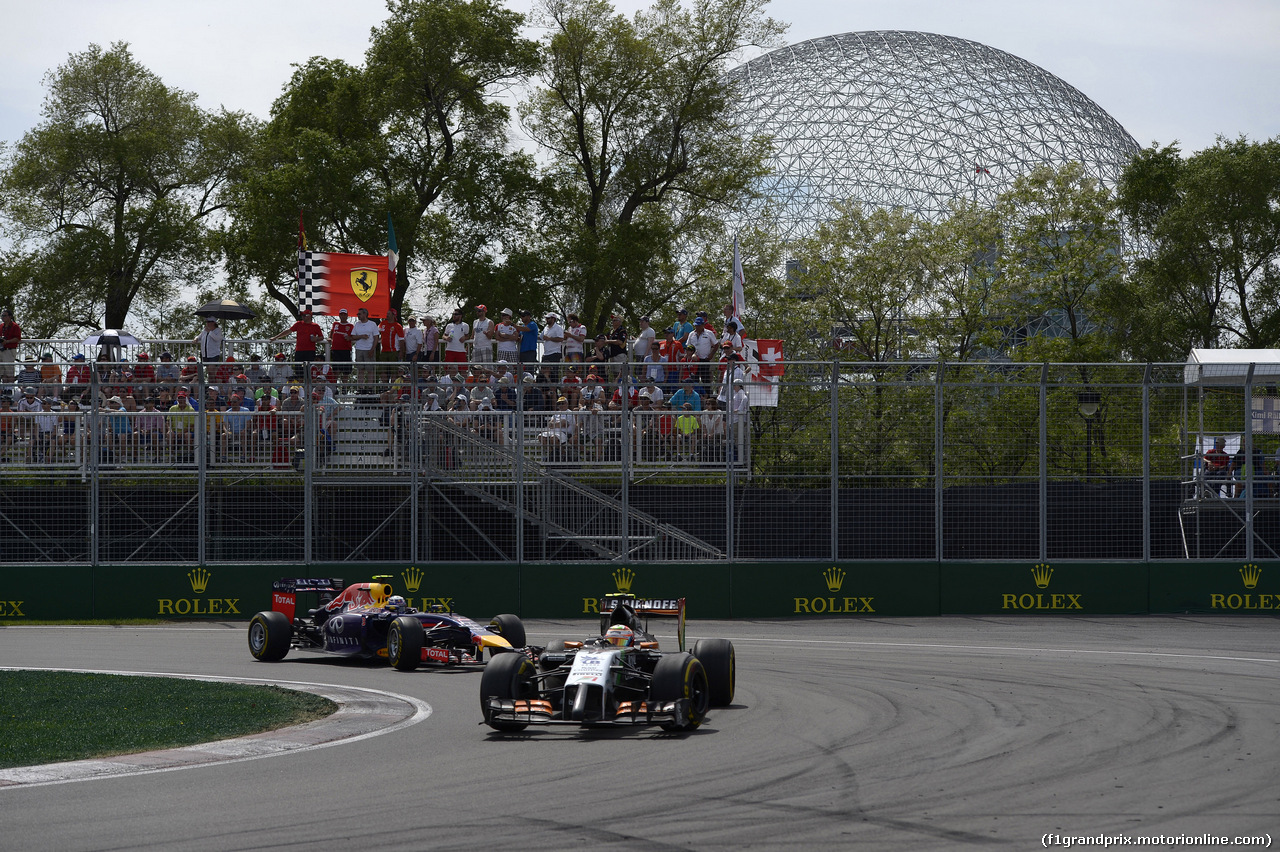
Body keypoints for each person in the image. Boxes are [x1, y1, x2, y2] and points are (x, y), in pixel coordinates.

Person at [350, 307, 379, 388]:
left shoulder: (372, 324)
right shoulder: (357, 324)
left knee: (370, 370)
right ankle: (360, 388)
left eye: (359, 314)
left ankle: (370, 388)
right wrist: (361, 336)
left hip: (369, 349)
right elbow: (353, 336)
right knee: (360, 370)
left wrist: (372, 349)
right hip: (359, 349)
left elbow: (376, 337)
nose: (358, 315)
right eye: (357, 314)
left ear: (365, 314)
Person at [378, 308, 405, 379]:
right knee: (382, 370)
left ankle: (393, 388)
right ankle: (385, 387)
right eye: (387, 314)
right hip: (383, 351)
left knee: (394, 371)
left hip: (394, 351)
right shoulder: (382, 324)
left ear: (394, 315)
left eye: (389, 314)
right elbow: (376, 333)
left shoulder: (398, 326)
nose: (387, 315)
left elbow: (401, 340)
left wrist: (401, 352)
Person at [329, 308, 353, 380]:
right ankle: (335, 388)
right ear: (339, 315)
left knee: (346, 371)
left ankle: (344, 389)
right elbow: (332, 332)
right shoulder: (335, 324)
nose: (343, 316)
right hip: (335, 350)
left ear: (347, 316)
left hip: (346, 350)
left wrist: (349, 337)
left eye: (344, 314)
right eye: (341, 314)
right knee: (336, 370)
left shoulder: (351, 326)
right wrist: (329, 338)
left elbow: (353, 336)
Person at [0, 308, 20, 382]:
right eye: (2, 316)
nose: (3, 317)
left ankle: (10, 389)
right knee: (2, 371)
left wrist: (7, 341)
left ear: (10, 316)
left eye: (4, 316)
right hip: (1, 350)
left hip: (9, 350)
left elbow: (18, 338)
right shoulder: (1, 326)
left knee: (9, 371)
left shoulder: (15, 326)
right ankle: (4, 389)